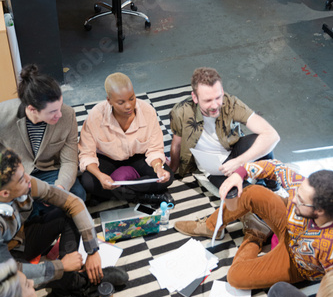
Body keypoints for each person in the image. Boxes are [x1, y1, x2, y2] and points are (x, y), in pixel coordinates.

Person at [174, 159, 333, 290]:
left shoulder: (329, 247)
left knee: (236, 276)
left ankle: (255, 235)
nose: (292, 198)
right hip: (289, 227)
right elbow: (274, 167)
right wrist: (239, 175)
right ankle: (211, 226)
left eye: (301, 200)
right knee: (252, 192)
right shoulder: (302, 187)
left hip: (296, 263)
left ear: (319, 211)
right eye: (297, 194)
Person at [0, 148, 128, 297]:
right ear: (5, 194)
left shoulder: (28, 184)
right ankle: (78, 282)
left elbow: (74, 202)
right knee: (13, 290)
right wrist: (60, 266)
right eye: (22, 179)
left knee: (68, 214)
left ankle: (70, 278)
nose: (29, 179)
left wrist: (92, 250)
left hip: (21, 240)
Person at [169, 67, 280, 194]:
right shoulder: (180, 112)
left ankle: (274, 187)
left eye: (218, 97)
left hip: (233, 149)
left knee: (261, 142)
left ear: (222, 91)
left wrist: (239, 162)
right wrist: (172, 169)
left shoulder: (231, 102)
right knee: (245, 194)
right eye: (208, 100)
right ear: (195, 97)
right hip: (214, 166)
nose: (215, 105)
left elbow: (272, 136)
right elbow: (176, 144)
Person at [0, 64, 86, 217]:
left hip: (49, 172)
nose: (59, 114)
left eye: (60, 106)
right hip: (18, 175)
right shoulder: (3, 115)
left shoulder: (68, 115)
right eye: (53, 111)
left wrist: (59, 188)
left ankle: (38, 215)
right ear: (32, 109)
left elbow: (69, 161)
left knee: (77, 194)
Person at [79, 72, 174, 206]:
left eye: (132, 98)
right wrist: (101, 176)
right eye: (121, 102)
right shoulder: (95, 116)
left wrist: (158, 168)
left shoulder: (148, 111)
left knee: (167, 177)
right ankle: (144, 196)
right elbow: (86, 154)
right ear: (109, 100)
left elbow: (154, 149)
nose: (129, 106)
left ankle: (113, 195)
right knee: (88, 181)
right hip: (107, 158)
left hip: (138, 156)